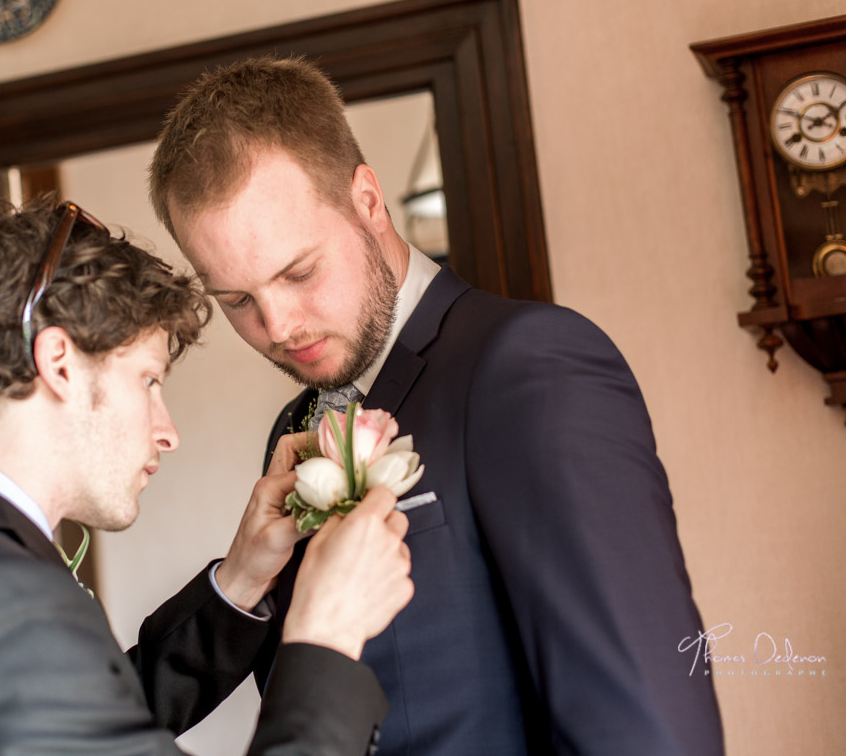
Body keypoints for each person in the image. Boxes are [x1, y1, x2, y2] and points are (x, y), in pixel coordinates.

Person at [149, 57, 725, 754]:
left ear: (368, 201)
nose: (277, 327)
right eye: (236, 301)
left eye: (298, 273)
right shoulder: (297, 430)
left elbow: (646, 724)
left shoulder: (529, 364)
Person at [0, 198, 414, 755]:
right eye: (148, 380)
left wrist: (239, 582)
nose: (167, 431)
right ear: (60, 363)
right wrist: (324, 635)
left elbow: (75, 730)